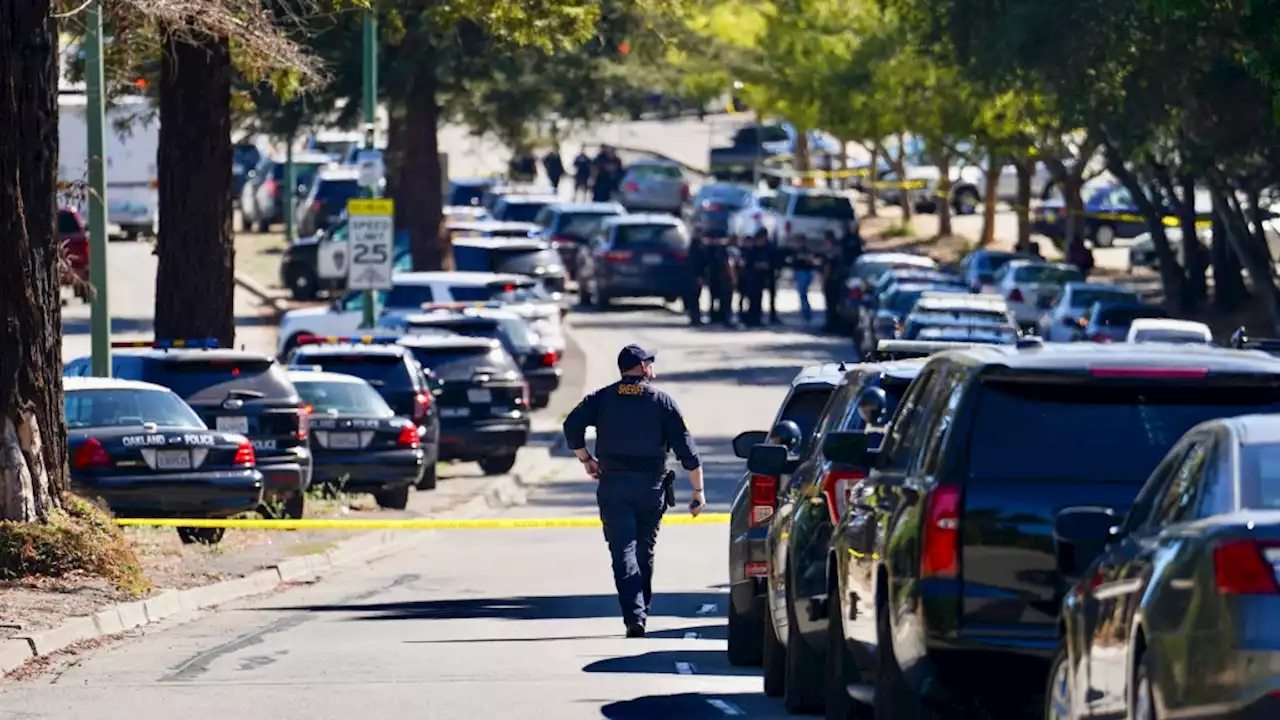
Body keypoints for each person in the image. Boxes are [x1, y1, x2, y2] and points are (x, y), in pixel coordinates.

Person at [562, 345, 705, 638]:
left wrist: (586, 459)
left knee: (622, 551)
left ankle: (633, 616)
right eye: (649, 362)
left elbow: (571, 424)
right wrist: (698, 491)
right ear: (642, 367)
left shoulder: (602, 398)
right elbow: (687, 452)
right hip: (650, 487)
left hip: (613, 484)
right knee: (644, 550)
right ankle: (641, 612)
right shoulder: (662, 402)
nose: (652, 367)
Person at [741, 233, 770, 326]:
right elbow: (748, 264)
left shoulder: (763, 251)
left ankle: (757, 319)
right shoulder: (751, 251)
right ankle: (750, 319)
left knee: (758, 300)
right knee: (751, 300)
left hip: (760, 279)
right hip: (751, 279)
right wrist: (760, 265)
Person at [820, 233, 846, 333]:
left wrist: (824, 280)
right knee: (835, 304)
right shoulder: (838, 251)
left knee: (831, 304)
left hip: (831, 282)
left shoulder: (830, 253)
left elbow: (827, 268)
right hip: (837, 282)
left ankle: (831, 325)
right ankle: (835, 324)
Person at [754, 228, 781, 324]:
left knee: (772, 296)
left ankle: (772, 316)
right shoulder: (756, 246)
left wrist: (770, 265)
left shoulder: (770, 247)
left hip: (769, 272)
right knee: (758, 295)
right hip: (758, 274)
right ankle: (757, 316)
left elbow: (776, 259)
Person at [791, 235, 819, 324]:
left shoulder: (806, 250)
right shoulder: (796, 251)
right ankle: (804, 311)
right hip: (799, 272)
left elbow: (811, 260)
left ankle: (806, 312)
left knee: (803, 293)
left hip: (805, 272)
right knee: (802, 293)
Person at [686, 234, 709, 326]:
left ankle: (695, 318)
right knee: (695, 297)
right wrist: (699, 276)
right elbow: (697, 263)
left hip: (693, 275)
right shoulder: (696, 248)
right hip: (695, 276)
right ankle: (695, 318)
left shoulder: (694, 247)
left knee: (695, 297)